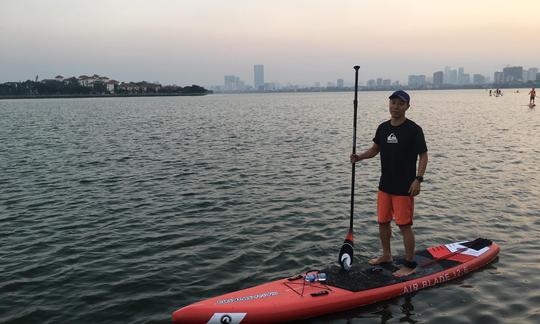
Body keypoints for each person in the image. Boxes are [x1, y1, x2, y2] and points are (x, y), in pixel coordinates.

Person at [350, 90, 428, 277]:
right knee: (383, 222)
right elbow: (375, 149)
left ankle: (409, 264)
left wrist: (418, 179)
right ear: (389, 105)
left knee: (404, 225)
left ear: (407, 106)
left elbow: (423, 155)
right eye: (393, 103)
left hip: (404, 187)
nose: (396, 107)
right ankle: (387, 255)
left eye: (400, 104)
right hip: (385, 185)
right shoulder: (383, 128)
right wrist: (359, 157)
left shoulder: (413, 129)